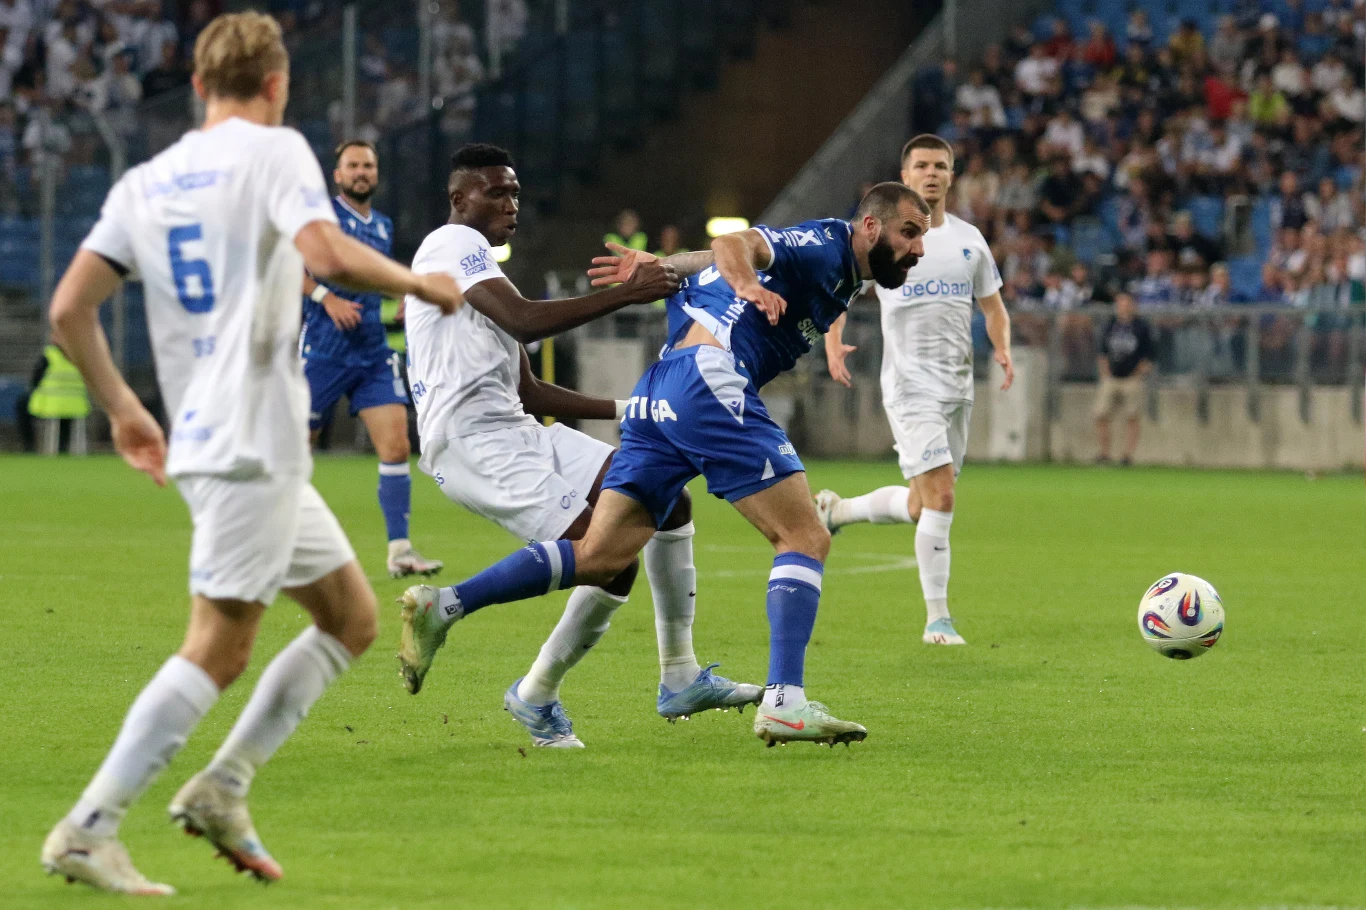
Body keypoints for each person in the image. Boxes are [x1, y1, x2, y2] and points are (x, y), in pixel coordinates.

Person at [38, 12, 462, 895]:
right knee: (220, 648)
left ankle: (223, 786)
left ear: (197, 86)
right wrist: (419, 282)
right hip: (250, 444)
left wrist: (123, 410)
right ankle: (89, 826)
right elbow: (325, 252)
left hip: (209, 436)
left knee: (352, 618)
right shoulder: (275, 152)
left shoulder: (145, 182)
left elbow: (70, 309)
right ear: (276, 85)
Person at [400, 182, 932, 748]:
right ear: (871, 227)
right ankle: (785, 701)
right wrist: (749, 284)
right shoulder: (827, 242)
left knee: (605, 554)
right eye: (910, 233)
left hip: (660, 391)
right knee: (804, 534)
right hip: (708, 380)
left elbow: (705, 262)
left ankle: (451, 607)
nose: (918, 249)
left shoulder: (838, 274)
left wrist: (660, 265)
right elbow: (734, 244)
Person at [396, 144, 759, 748]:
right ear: (460, 200)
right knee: (606, 551)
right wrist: (629, 292)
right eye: (496, 192)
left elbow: (531, 392)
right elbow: (529, 321)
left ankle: (677, 676)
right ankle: (453, 612)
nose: (511, 203)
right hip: (472, 444)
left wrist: (631, 409)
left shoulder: (481, 270)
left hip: (514, 430)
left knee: (665, 498)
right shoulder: (451, 244)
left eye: (515, 192)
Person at [814, 134, 1014, 647]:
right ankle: (937, 620)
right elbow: (842, 292)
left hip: (957, 389)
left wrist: (1004, 350)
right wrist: (833, 344)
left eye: (940, 166)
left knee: (925, 506)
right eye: (921, 165)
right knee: (943, 496)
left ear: (951, 176)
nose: (931, 173)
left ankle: (839, 512)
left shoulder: (970, 241)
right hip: (909, 388)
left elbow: (992, 307)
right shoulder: (889, 241)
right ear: (905, 177)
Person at [300, 140, 442, 578]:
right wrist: (326, 299)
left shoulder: (380, 226)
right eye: (353, 165)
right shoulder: (319, 218)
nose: (362, 171)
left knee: (397, 445)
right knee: (292, 456)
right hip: (322, 351)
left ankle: (400, 551)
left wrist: (400, 292)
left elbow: (370, 273)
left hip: (371, 352)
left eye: (369, 165)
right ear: (337, 175)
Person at [1094, 292, 1153, 465]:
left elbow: (1148, 355)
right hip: (1111, 377)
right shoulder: (1110, 325)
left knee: (1132, 416)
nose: (1123, 306)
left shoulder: (1141, 327)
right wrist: (1105, 372)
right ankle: (1104, 453)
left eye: (1126, 302)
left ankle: (1128, 455)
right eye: (1120, 303)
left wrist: (1138, 373)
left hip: (1131, 379)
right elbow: (1102, 351)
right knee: (1100, 414)